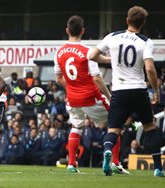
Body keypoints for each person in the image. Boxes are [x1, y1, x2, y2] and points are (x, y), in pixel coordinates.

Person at [89, 6, 165, 177]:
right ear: (143, 23)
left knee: (113, 130)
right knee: (149, 127)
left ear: (127, 20)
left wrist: (110, 59)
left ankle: (108, 151)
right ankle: (158, 169)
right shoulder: (145, 41)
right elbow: (150, 69)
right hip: (138, 90)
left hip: (119, 90)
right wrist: (156, 91)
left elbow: (92, 55)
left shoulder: (112, 37)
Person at [53, 15, 125, 173]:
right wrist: (109, 95)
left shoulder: (59, 52)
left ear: (67, 30)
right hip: (91, 97)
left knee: (76, 127)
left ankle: (71, 164)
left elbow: (58, 79)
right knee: (115, 124)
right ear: (83, 31)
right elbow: (97, 78)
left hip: (72, 99)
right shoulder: (87, 51)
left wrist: (73, 86)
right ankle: (116, 163)